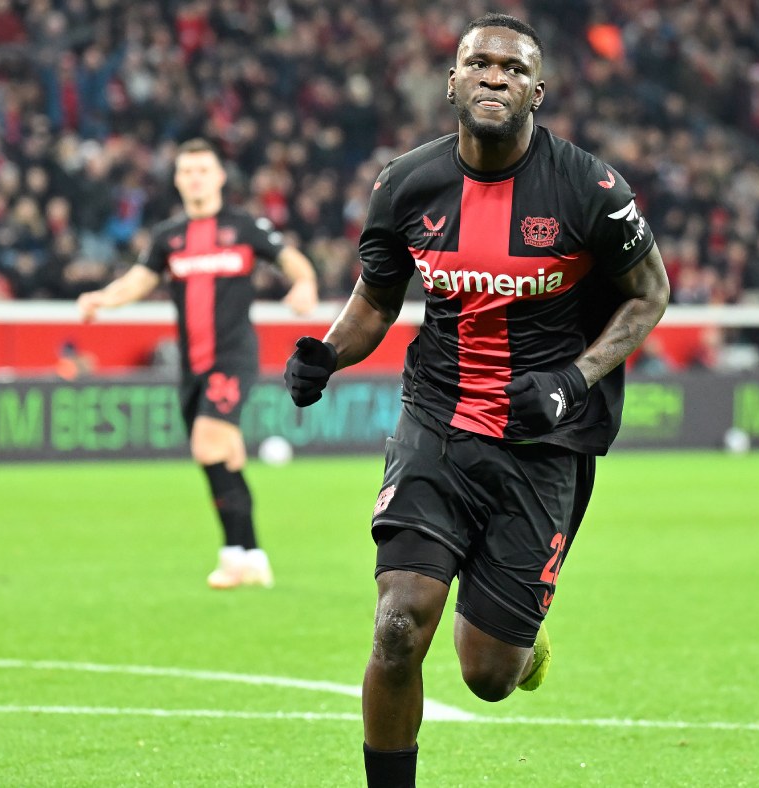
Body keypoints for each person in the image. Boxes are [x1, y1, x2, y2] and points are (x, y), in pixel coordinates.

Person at [281, 14, 669, 788]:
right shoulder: (405, 184)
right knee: (397, 627)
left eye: (515, 68)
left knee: (489, 675)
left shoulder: (589, 189)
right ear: (452, 81)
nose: (496, 76)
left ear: (538, 92)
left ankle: (519, 634)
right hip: (436, 426)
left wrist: (572, 381)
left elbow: (649, 293)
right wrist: (328, 352)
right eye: (480, 62)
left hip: (542, 445)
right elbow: (376, 299)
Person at [77, 138, 319, 588]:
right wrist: (103, 299)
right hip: (193, 365)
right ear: (177, 179)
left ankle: (232, 556)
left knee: (208, 445)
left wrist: (304, 284)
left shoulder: (244, 226)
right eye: (187, 171)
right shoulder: (169, 236)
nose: (196, 179)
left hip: (233, 356)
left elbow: (292, 261)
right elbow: (138, 280)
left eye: (203, 170)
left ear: (220, 177)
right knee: (223, 455)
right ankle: (251, 555)